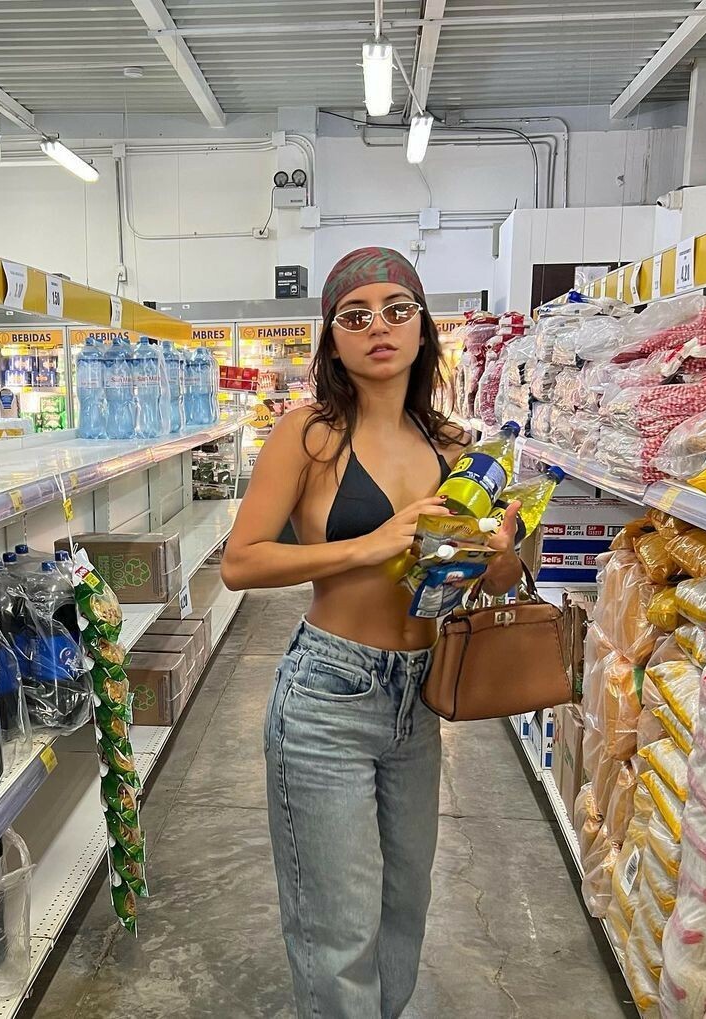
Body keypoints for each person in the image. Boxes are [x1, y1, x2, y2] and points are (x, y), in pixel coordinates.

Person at [220, 247, 523, 1019]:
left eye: (397, 309)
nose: (378, 327)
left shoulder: (456, 446)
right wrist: (371, 543)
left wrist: (502, 555)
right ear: (332, 338)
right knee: (337, 923)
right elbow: (240, 562)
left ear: (423, 328)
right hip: (328, 694)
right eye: (355, 316)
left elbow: (488, 582)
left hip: (420, 697)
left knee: (404, 905)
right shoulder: (309, 434)